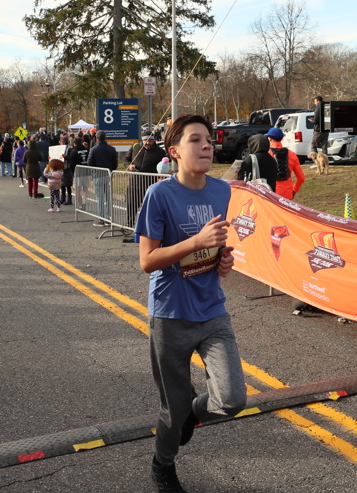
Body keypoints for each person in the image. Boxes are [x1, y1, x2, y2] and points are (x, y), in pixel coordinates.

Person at [135, 114, 246, 493]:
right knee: (172, 407)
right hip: (170, 314)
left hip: (212, 309)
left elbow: (214, 248)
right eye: (195, 140)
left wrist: (223, 259)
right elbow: (147, 260)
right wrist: (196, 242)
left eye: (209, 139)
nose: (206, 145)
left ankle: (191, 415)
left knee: (232, 400)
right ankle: (162, 465)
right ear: (175, 151)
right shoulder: (159, 195)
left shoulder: (222, 191)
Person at [126, 134, 167, 226]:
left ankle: (148, 226)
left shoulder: (160, 151)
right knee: (131, 204)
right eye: (146, 141)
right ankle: (129, 224)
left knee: (149, 207)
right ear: (142, 140)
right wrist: (129, 166)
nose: (148, 143)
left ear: (154, 140)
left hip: (150, 184)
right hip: (134, 183)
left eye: (150, 141)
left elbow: (163, 166)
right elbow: (126, 159)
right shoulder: (135, 147)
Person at [87, 130, 119, 225]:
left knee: (100, 198)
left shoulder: (93, 149)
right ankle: (109, 218)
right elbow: (115, 163)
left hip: (98, 175)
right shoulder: (112, 149)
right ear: (105, 138)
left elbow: (89, 163)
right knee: (108, 198)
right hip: (108, 174)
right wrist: (111, 170)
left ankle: (101, 219)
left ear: (97, 138)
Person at [265, 127, 304, 199]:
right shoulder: (292, 154)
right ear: (282, 138)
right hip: (287, 193)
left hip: (270, 193)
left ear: (270, 139)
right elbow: (301, 178)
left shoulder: (267, 154)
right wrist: (294, 190)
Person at [61, 137, 80, 205]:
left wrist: (65, 157)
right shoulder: (61, 148)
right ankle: (62, 198)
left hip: (67, 168)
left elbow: (71, 159)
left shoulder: (69, 149)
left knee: (68, 184)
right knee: (62, 184)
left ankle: (69, 199)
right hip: (62, 168)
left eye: (62, 142)